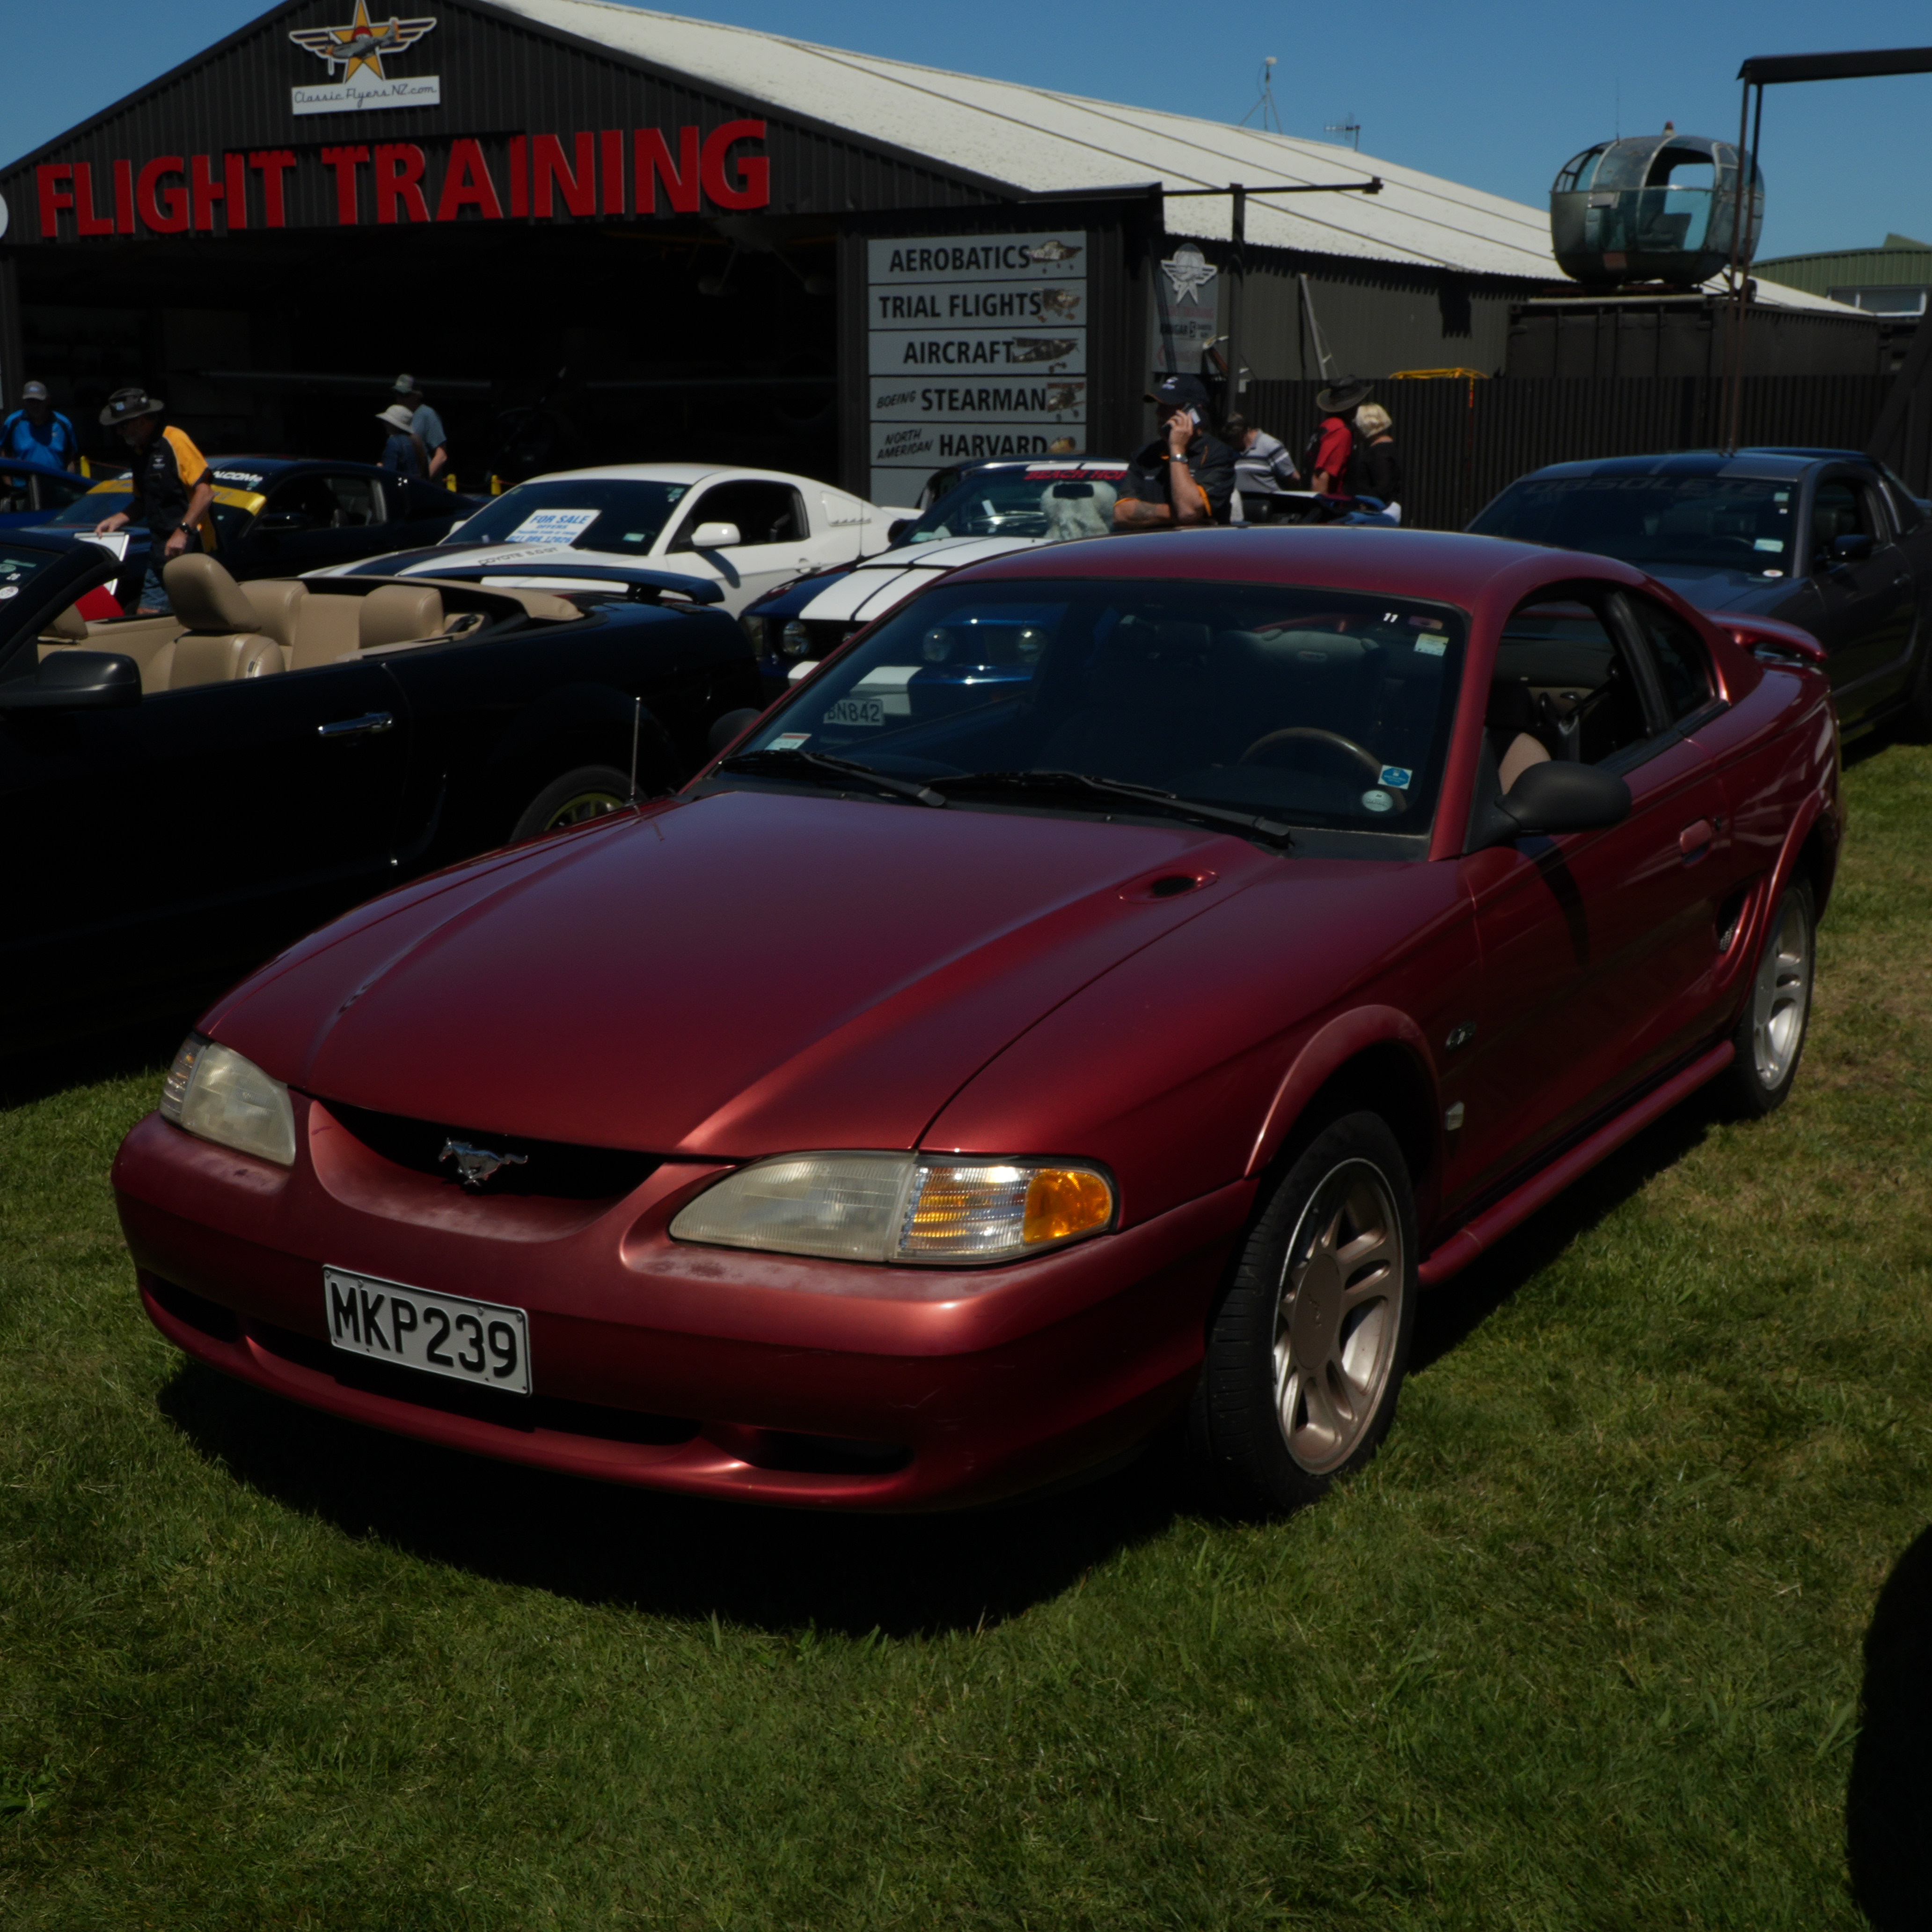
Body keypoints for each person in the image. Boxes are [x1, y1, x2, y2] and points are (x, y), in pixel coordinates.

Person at [90, 386, 214, 615]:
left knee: (197, 616)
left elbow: (205, 492)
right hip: (161, 551)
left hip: (193, 549)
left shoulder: (174, 440)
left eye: (123, 425)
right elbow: (141, 502)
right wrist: (118, 519)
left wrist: (183, 532)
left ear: (142, 421)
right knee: (147, 616)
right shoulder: (139, 452)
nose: (119, 432)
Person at [1114, 373, 1235, 530]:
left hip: (1195, 545)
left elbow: (1188, 511)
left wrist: (1177, 449)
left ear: (1194, 412)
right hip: (1151, 545)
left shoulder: (1218, 454)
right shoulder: (1144, 455)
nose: (1158, 412)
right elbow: (1121, 514)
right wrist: (1176, 515)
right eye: (1159, 405)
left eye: (1167, 406)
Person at [1304, 375, 1373, 501]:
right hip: (1333, 507)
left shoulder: (1327, 426)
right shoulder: (1340, 431)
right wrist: (1320, 509)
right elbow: (1321, 476)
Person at [1223, 413, 1300, 517]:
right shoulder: (1232, 451)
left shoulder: (1269, 445)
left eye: (1233, 438)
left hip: (1271, 514)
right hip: (1241, 513)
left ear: (1242, 433)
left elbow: (1294, 478)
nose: (1230, 443)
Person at [1344, 402, 1405, 525]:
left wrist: (1366, 505)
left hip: (1377, 514)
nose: (1356, 431)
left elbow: (1383, 487)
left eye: (1357, 426)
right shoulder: (1386, 449)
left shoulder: (1379, 453)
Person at [2, 381, 80, 475]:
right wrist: (9, 483)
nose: (35, 405)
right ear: (24, 401)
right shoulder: (13, 422)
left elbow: (70, 459)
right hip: (23, 483)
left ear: (48, 401)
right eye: (31, 401)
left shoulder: (63, 424)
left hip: (55, 483)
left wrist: (69, 482)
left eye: (39, 401)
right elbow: (4, 454)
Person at [392, 373, 448, 479]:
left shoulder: (427, 414)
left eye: (405, 395)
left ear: (417, 395)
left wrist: (423, 482)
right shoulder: (398, 416)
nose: (400, 399)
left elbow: (441, 456)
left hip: (423, 484)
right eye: (397, 394)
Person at [377, 402, 425, 477]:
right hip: (413, 484)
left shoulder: (394, 442)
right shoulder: (414, 441)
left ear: (394, 425)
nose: (384, 424)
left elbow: (389, 474)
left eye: (387, 422)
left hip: (400, 485)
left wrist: (380, 468)